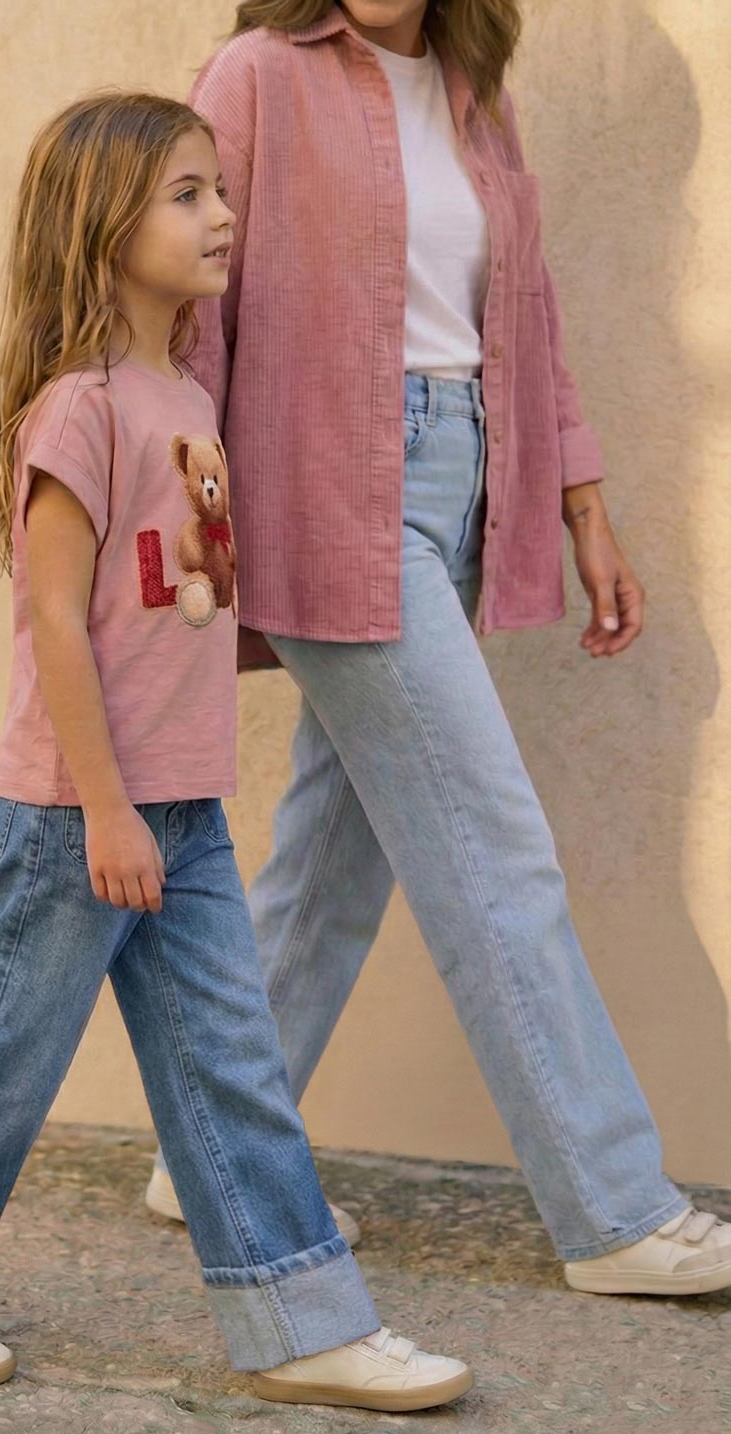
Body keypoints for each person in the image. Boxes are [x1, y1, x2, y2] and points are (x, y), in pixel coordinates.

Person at [0, 90, 474, 1410]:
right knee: (7, 1043)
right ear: (101, 224)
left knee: (233, 1055)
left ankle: (299, 1315)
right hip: (85, 813)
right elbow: (51, 622)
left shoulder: (182, 390)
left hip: (179, 804)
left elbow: (172, 592)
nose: (221, 214)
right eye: (187, 194)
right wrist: (106, 810)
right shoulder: (79, 410)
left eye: (218, 190)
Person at [143, 0, 731, 1300]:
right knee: (494, 850)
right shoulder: (254, 78)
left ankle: (206, 1149)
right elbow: (194, 310)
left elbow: (528, 319)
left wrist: (582, 503)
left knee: (331, 865)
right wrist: (187, 510)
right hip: (331, 491)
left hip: (463, 484)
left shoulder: (473, 96)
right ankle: (617, 1211)